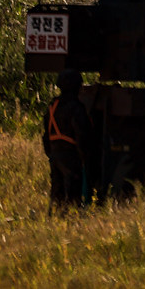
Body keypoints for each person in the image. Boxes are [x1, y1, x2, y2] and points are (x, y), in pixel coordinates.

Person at [42, 69, 93, 211]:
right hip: (71, 156)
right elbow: (82, 135)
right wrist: (85, 158)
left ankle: (55, 220)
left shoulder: (53, 106)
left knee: (56, 193)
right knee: (73, 193)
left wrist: (51, 154)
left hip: (55, 155)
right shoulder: (76, 107)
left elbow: (46, 135)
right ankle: (70, 221)